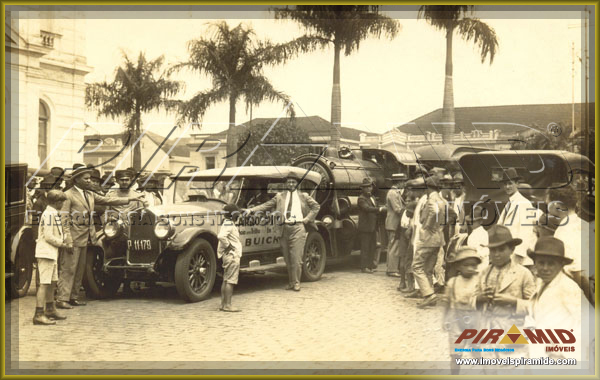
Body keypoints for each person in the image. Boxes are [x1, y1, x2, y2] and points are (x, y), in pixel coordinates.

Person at [57, 167, 144, 309]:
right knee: (68, 268)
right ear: (76, 180)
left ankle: (73, 297)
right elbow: (64, 218)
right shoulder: (68, 195)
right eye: (86, 178)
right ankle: (62, 298)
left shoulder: (89, 194)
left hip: (86, 237)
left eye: (89, 178)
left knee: (80, 269)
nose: (89, 181)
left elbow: (107, 199)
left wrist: (131, 198)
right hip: (73, 237)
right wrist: (67, 236)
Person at [519, 237, 592, 362]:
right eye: (541, 263)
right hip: (541, 355)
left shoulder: (568, 287)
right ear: (535, 263)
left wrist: (564, 351)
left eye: (551, 263)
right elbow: (533, 318)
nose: (545, 268)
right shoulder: (541, 284)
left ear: (560, 265)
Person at [248, 171, 320, 291]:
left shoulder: (304, 196)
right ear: (286, 184)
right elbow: (266, 205)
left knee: (296, 258)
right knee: (287, 258)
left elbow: (316, 207)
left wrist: (307, 219)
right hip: (283, 229)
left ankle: (297, 282)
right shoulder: (279, 196)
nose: (291, 184)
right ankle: (291, 282)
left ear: (297, 184)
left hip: (298, 227)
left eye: (293, 182)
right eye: (289, 182)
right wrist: (251, 210)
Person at [475, 225, 535, 351]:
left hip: (513, 329)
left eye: (501, 250)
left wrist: (513, 302)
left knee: (512, 365)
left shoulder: (523, 274)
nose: (496, 254)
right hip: (488, 331)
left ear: (512, 249)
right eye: (493, 250)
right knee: (489, 367)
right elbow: (470, 303)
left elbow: (535, 307)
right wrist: (480, 299)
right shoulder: (483, 273)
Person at [33, 190, 71, 325]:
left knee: (52, 282)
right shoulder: (49, 214)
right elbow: (48, 236)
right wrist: (63, 244)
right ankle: (38, 314)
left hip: (52, 253)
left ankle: (50, 309)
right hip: (46, 253)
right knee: (44, 283)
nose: (62, 204)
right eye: (61, 202)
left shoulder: (53, 213)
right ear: (57, 202)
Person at [443, 247, 482, 375]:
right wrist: (445, 318)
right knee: (455, 354)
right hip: (456, 321)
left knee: (478, 352)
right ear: (458, 266)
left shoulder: (479, 281)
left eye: (473, 265)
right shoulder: (452, 282)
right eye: (466, 265)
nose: (470, 268)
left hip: (475, 322)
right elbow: (447, 302)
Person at [551, 187, 592, 303]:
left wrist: (591, 301)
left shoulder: (564, 231)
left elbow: (579, 273)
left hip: (577, 295)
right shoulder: (585, 225)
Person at [412, 177, 446, 308]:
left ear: (429, 188)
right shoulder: (441, 200)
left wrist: (427, 225)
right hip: (438, 239)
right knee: (428, 269)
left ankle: (428, 295)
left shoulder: (431, 199)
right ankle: (430, 295)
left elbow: (434, 212)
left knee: (417, 266)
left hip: (427, 238)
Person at [495, 168, 537, 267]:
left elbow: (526, 231)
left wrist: (519, 254)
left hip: (518, 257)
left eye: (510, 183)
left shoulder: (524, 203)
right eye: (505, 184)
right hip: (507, 253)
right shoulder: (509, 203)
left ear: (517, 184)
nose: (507, 186)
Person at [218, 204, 243, 312]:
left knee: (226, 279)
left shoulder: (226, 222)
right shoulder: (229, 223)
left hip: (228, 255)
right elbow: (221, 236)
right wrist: (229, 246)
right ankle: (228, 305)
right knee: (231, 281)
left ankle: (223, 304)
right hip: (232, 255)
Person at [357, 178, 386, 273]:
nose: (369, 188)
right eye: (366, 187)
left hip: (373, 226)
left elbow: (373, 207)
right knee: (365, 247)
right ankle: (363, 267)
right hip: (365, 227)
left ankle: (370, 266)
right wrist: (379, 209)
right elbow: (367, 208)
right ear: (363, 189)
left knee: (372, 246)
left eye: (370, 186)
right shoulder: (361, 198)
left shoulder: (372, 197)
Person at [385, 173, 407, 277]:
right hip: (393, 223)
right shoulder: (393, 193)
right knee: (394, 246)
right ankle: (392, 269)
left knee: (392, 245)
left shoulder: (394, 192)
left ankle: (390, 267)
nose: (404, 183)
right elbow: (397, 209)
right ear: (399, 182)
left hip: (393, 223)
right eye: (403, 181)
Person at [466, 205, 490, 272]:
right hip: (473, 264)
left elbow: (486, 250)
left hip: (481, 265)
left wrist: (476, 255)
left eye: (474, 221)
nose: (471, 223)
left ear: (480, 222)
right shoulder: (472, 234)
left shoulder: (483, 233)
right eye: (470, 221)